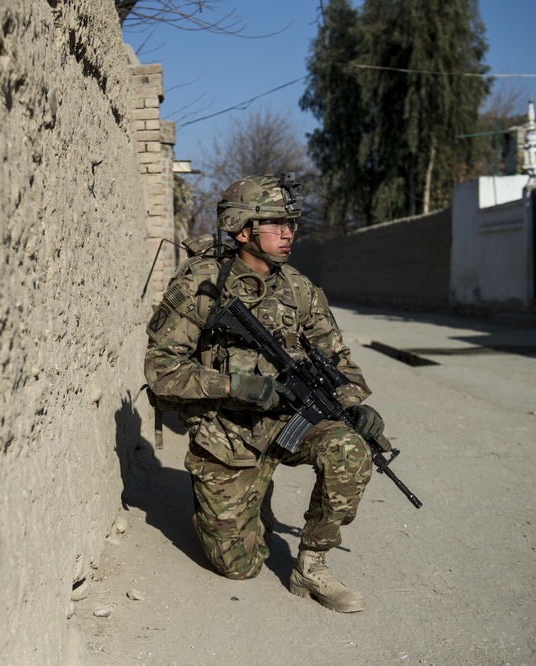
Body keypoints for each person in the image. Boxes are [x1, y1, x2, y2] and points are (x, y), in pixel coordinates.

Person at [143, 173, 386, 613]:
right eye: (276, 224)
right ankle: (247, 499)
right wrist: (236, 385)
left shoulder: (299, 289)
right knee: (240, 567)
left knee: (351, 450)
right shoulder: (202, 285)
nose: (288, 232)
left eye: (290, 223)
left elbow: (340, 360)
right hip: (226, 435)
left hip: (286, 423)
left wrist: (353, 404)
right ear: (243, 229)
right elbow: (161, 370)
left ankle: (311, 566)